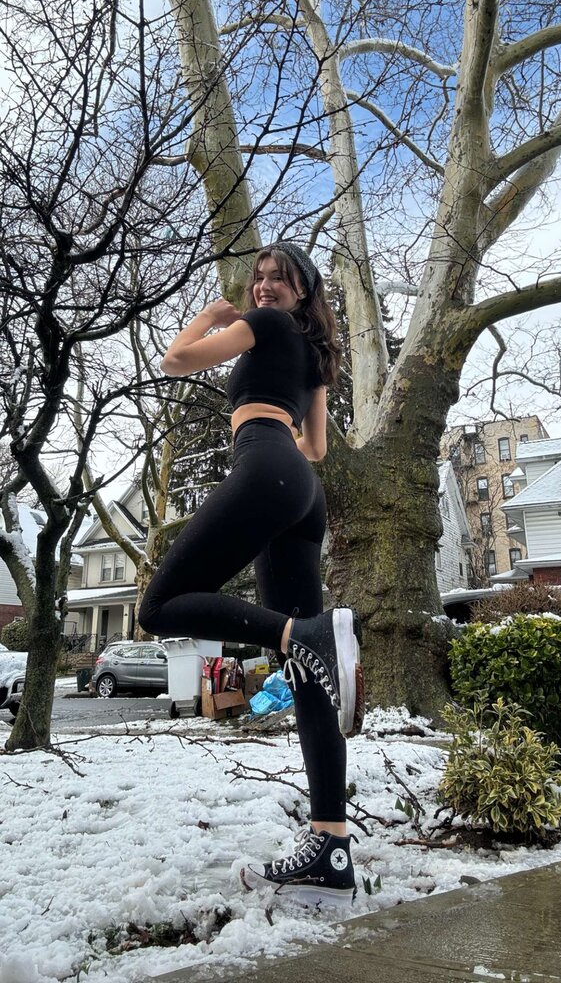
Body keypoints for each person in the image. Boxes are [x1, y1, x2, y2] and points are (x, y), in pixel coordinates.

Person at [139, 242, 364, 907]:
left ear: (303, 289)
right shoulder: (316, 356)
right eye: (258, 278)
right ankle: (330, 847)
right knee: (307, 675)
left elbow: (176, 361)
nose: (264, 287)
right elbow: (315, 447)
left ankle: (306, 635)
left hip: (265, 466)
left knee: (159, 607)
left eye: (279, 279)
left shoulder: (263, 325)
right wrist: (282, 449)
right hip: (301, 491)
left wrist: (211, 316)